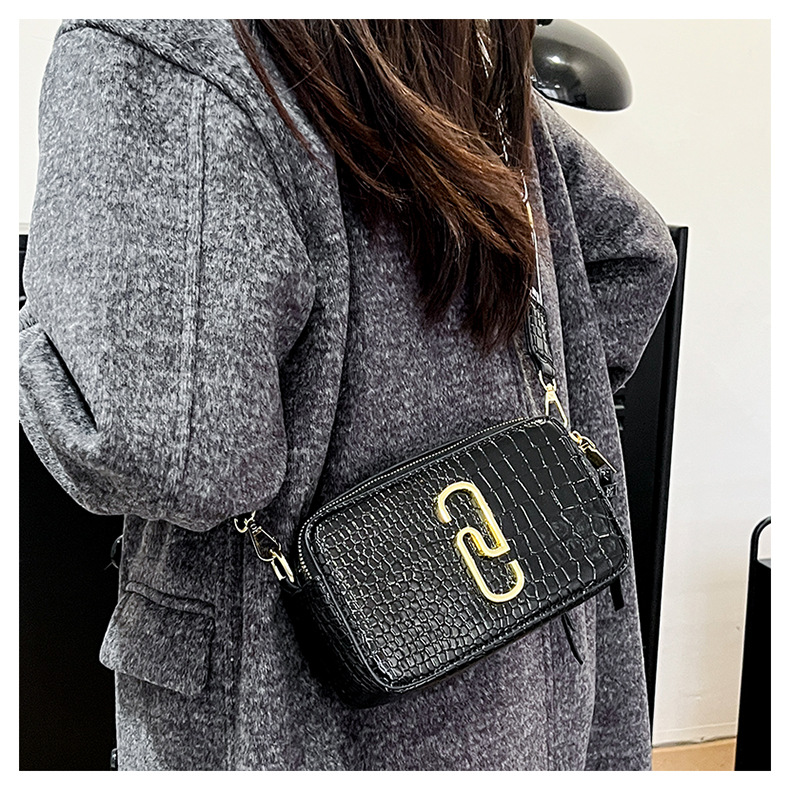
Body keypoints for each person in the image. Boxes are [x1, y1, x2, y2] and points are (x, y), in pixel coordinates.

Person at [19, 19, 677, 770]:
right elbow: (635, 254)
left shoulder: (164, 44)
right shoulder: (452, 49)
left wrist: (34, 332)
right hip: (529, 666)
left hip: (296, 706)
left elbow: (177, 455)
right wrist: (504, 419)